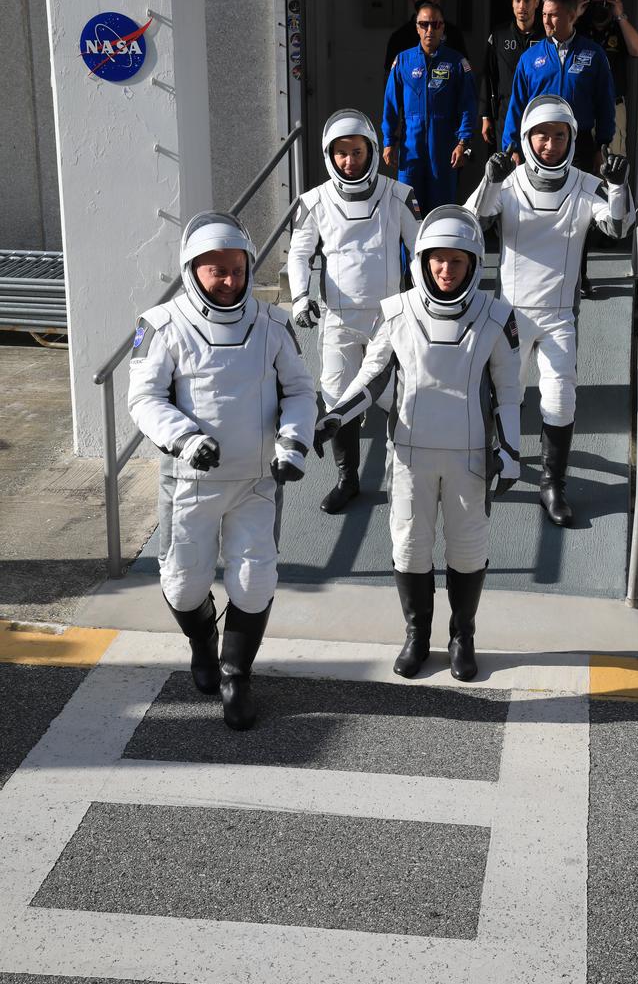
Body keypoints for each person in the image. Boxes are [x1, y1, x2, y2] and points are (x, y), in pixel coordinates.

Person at [313, 206, 521, 682]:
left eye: (457, 261)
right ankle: (417, 635)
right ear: (421, 261)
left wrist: (509, 452)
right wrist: (336, 417)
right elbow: (371, 375)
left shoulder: (497, 315)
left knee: (467, 551)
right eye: (436, 260)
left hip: (469, 457)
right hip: (409, 454)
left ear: (474, 263)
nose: (445, 270)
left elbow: (509, 393)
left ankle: (462, 635)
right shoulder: (397, 311)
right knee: (409, 548)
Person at [128, 212, 317, 730]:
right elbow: (143, 399)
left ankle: (237, 675)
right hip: (189, 482)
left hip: (257, 481)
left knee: (255, 581)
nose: (230, 281)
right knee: (183, 585)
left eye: (237, 269)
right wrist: (186, 438)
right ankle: (201, 643)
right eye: (217, 271)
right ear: (193, 270)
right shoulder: (159, 325)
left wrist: (294, 442)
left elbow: (300, 391)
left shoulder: (273, 324)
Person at [468, 94, 634, 527]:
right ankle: (493, 466)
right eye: (541, 134)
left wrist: (618, 187)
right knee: (502, 397)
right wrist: (489, 180)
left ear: (571, 139)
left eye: (559, 136)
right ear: (525, 137)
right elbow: (470, 225)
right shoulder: (509, 182)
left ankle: (551, 484)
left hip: (561, 315)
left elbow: (618, 227)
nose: (549, 144)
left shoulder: (584, 185)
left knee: (560, 402)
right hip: (511, 316)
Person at [288, 108, 420, 513]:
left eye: (358, 151)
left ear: (373, 151)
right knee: (336, 400)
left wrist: (423, 299)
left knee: (402, 399)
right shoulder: (313, 202)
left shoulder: (399, 195)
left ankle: (405, 478)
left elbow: (420, 251)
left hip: (389, 318)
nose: (350, 161)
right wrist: (299, 296)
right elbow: (299, 252)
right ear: (329, 155)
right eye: (341, 153)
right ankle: (348, 479)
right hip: (339, 318)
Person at [502, 0, 616, 172]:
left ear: (571, 16)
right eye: (544, 14)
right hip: (539, 144)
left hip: (580, 145)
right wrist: (512, 147)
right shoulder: (530, 57)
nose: (546, 21)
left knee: (579, 200)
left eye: (553, 15)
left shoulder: (594, 54)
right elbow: (517, 104)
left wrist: (603, 145)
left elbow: (605, 103)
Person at [382, 1, 477, 216]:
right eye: (424, 24)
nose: (429, 30)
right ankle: (410, 251)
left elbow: (468, 106)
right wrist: (389, 142)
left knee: (441, 213)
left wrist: (463, 142)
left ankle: (438, 252)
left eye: (435, 24)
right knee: (408, 212)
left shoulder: (456, 62)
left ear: (443, 27)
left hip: (443, 149)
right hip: (410, 149)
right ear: (416, 27)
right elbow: (390, 104)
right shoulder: (403, 61)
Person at [575, 0, 638, 157]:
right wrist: (574, 15)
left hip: (612, 106)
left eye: (604, 4)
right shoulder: (578, 29)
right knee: (580, 167)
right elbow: (555, 43)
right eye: (594, 4)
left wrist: (620, 16)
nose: (599, 8)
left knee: (612, 165)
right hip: (582, 106)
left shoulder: (619, 29)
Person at [479, 0, 545, 149]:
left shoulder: (546, 37)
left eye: (527, 0)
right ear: (512, 2)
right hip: (506, 111)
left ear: (537, 3)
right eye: (517, 0)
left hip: (538, 111)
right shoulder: (499, 35)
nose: (522, 6)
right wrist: (485, 116)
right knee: (508, 166)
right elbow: (488, 75)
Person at [384, 0, 468, 75]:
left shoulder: (452, 33)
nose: (423, 1)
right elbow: (389, 75)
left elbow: (465, 68)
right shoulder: (400, 36)